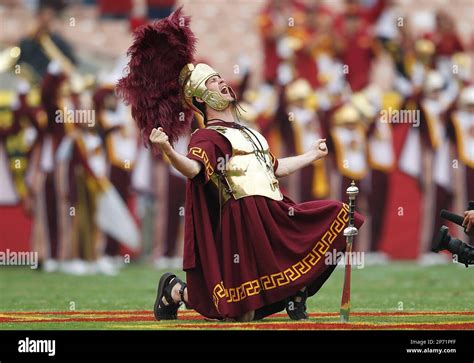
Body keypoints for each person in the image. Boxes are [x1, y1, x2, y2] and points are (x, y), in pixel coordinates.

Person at [117, 8, 364, 322]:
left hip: (275, 211)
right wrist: (167, 149)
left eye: (220, 78)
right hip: (241, 221)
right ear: (200, 98)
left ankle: (295, 293)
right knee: (238, 313)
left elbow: (274, 168)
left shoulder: (250, 131)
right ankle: (175, 291)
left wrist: (311, 156)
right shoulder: (207, 136)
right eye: (212, 82)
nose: (221, 83)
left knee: (340, 217)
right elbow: (195, 172)